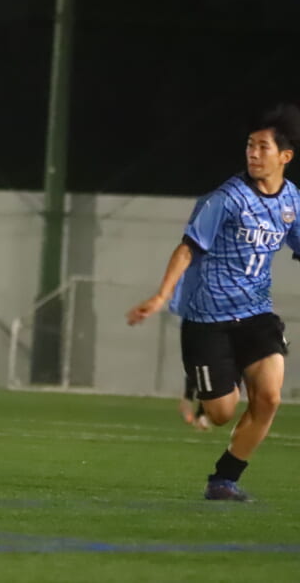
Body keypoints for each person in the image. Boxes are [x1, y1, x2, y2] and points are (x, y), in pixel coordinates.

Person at [127, 103, 300, 501]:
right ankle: (208, 384)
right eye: (250, 145)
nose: (252, 153)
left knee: (269, 398)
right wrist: (161, 295)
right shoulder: (227, 198)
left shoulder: (292, 201)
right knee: (221, 414)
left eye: (262, 147)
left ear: (285, 156)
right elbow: (188, 247)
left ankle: (224, 481)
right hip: (208, 319)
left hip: (256, 315)